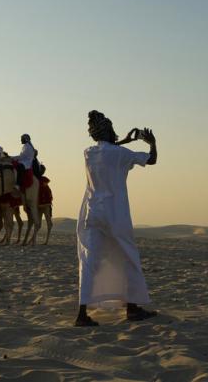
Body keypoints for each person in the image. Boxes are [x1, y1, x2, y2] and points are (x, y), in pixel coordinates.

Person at [75, 111, 158, 327]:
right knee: (128, 256)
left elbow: (106, 149)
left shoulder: (88, 152)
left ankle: (82, 314)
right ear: (109, 131)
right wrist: (152, 142)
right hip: (115, 212)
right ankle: (132, 308)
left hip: (92, 212)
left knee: (88, 260)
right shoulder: (121, 154)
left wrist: (125, 140)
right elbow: (152, 160)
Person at [14, 134, 41, 244]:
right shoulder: (27, 146)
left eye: (21, 138)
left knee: (17, 166)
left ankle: (17, 184)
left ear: (25, 139)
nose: (20, 140)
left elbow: (21, 157)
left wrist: (12, 157)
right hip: (25, 163)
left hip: (25, 165)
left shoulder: (27, 147)